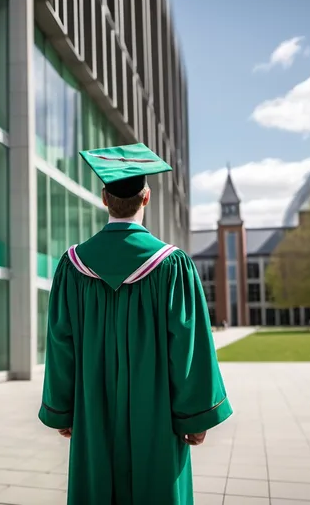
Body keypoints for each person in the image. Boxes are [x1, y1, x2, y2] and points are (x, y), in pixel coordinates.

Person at [38, 143, 232, 505]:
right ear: (147, 198)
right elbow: (188, 346)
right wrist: (195, 415)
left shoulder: (72, 266)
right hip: (155, 419)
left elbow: (60, 343)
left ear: (103, 199)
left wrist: (62, 409)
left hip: (93, 415)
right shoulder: (173, 266)